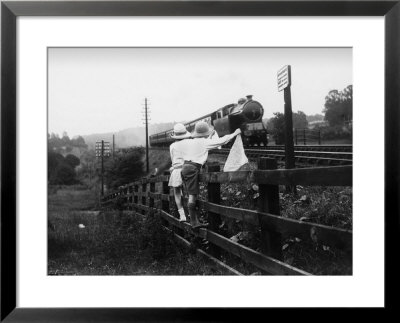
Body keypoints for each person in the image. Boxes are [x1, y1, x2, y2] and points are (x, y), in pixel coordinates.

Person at [179, 121, 241, 228]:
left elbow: (204, 142)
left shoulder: (193, 141)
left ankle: (194, 220)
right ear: (205, 133)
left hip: (185, 167)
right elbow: (222, 141)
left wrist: (210, 136)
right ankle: (194, 222)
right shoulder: (204, 143)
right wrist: (234, 133)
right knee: (192, 196)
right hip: (192, 168)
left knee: (190, 194)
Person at [168, 123, 192, 222]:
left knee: (177, 193)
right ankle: (191, 214)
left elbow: (172, 159)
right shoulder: (189, 143)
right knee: (189, 193)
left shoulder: (172, 146)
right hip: (187, 169)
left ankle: (182, 215)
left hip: (176, 170)